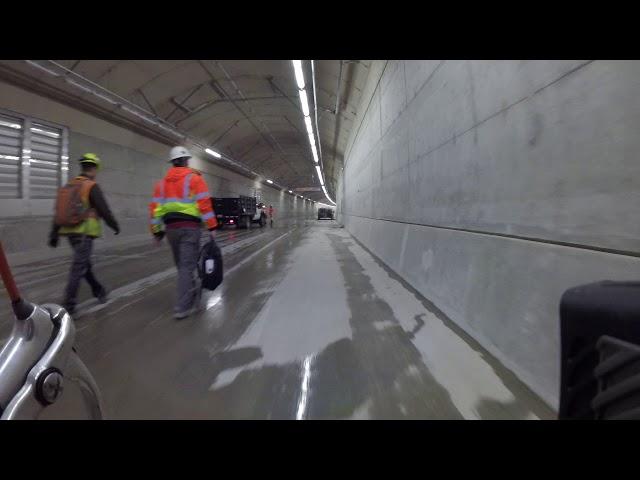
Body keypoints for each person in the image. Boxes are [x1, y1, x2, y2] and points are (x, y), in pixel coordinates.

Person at [149, 146, 218, 319]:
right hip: (190, 228)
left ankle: (190, 292)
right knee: (187, 267)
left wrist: (157, 232)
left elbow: (155, 210)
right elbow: (204, 204)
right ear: (187, 161)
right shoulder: (195, 179)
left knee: (182, 266)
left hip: (171, 229)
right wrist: (212, 226)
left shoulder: (162, 185)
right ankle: (182, 307)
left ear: (172, 163)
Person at [48, 153, 120, 315]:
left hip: (69, 233)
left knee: (84, 265)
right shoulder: (91, 186)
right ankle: (69, 304)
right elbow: (103, 209)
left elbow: (58, 211)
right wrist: (114, 225)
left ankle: (98, 290)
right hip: (84, 233)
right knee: (79, 267)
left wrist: (54, 234)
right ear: (94, 168)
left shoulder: (69, 185)